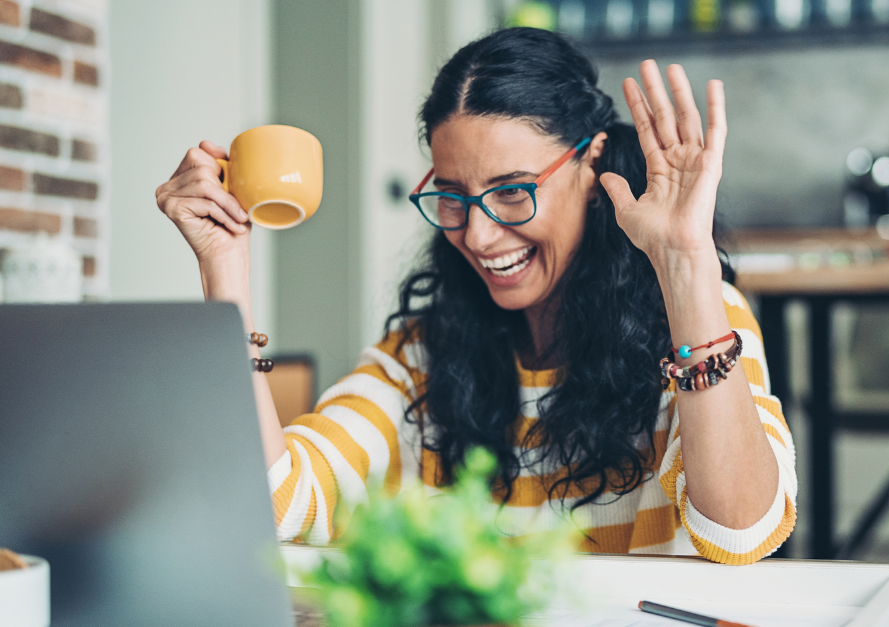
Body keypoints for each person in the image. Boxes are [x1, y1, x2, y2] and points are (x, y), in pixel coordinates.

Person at [155, 28, 796, 564]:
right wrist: (225, 270)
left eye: (513, 191)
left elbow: (740, 533)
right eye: (453, 197)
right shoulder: (421, 356)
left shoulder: (697, 322)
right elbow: (279, 507)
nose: (479, 235)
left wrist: (685, 266)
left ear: (592, 164)